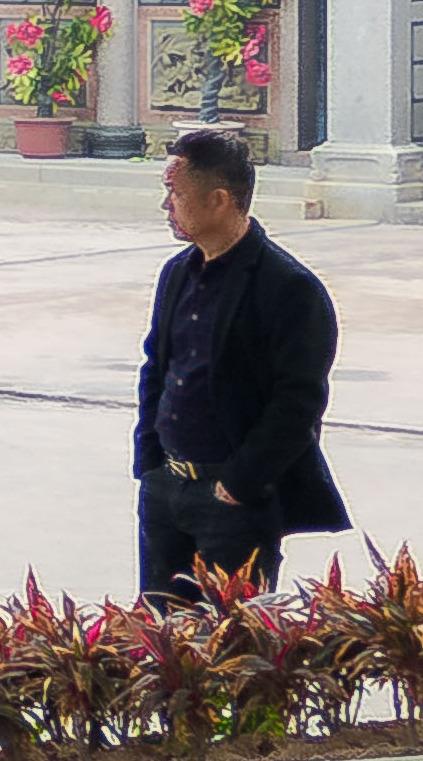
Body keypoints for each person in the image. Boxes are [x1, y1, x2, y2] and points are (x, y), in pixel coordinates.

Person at [135, 126, 347, 599]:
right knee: (158, 629)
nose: (166, 205)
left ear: (219, 200)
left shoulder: (288, 287)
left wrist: (239, 482)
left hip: (232, 499)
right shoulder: (177, 273)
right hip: (166, 487)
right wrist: (149, 461)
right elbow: (156, 370)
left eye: (175, 193)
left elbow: (298, 401)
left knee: (231, 633)